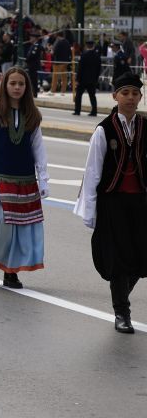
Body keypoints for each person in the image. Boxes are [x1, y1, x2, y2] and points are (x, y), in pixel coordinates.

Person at [74, 72, 147, 334]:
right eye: (124, 93)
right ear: (114, 96)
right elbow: (92, 171)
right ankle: (122, 312)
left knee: (141, 258)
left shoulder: (144, 126)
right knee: (118, 259)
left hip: (140, 202)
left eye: (135, 93)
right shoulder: (104, 130)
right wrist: (90, 209)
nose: (130, 98)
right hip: (112, 202)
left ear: (140, 97)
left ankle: (121, 294)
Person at [0, 67, 49, 289]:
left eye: (21, 84)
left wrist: (43, 178)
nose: (17, 87)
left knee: (18, 227)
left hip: (25, 179)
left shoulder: (33, 115)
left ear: (27, 88)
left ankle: (11, 272)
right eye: (13, 83)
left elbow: (38, 148)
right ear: (4, 86)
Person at [74, 41, 102, 117]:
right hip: (92, 79)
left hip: (83, 79)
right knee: (92, 96)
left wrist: (77, 79)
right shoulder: (97, 55)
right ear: (93, 46)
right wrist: (96, 78)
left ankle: (77, 110)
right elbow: (99, 69)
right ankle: (94, 111)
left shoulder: (83, 55)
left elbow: (80, 68)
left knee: (78, 95)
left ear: (86, 46)